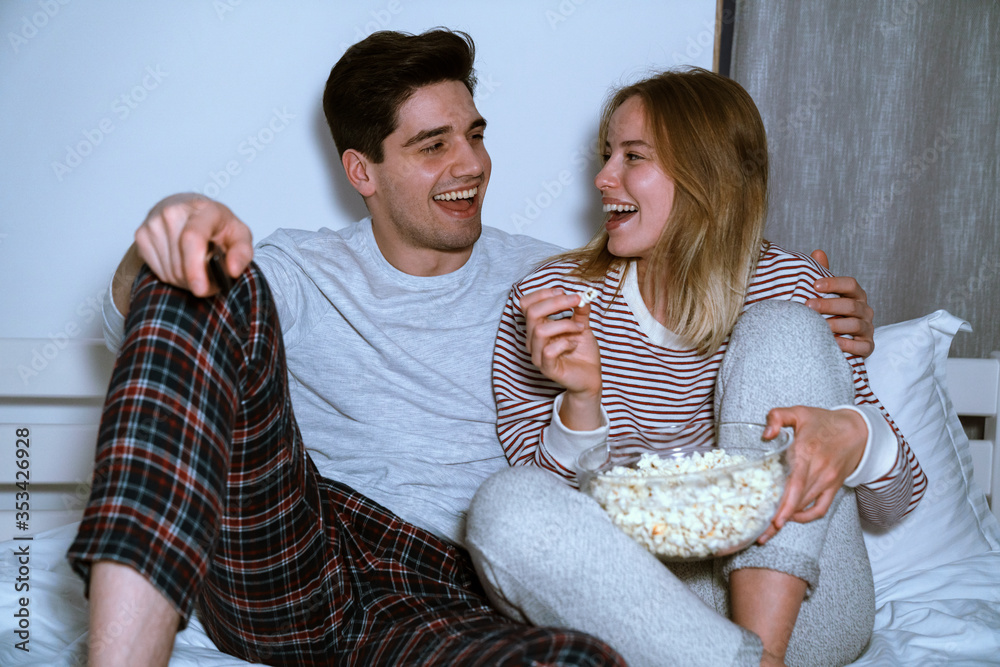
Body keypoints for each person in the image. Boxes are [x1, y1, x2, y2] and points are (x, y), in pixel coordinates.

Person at [67, 29, 876, 667]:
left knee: (572, 657)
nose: (470, 165)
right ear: (363, 171)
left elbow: (704, 327)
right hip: (305, 545)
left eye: (474, 134)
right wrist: (168, 235)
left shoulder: (559, 277)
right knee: (203, 280)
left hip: (467, 586)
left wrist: (825, 330)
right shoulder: (302, 268)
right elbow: (149, 334)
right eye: (432, 145)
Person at [467, 69, 925, 667]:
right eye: (607, 155)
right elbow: (554, 517)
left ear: (707, 174)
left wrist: (856, 436)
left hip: (808, 604)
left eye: (633, 156)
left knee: (783, 327)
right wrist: (582, 403)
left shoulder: (794, 287)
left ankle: (759, 652)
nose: (603, 178)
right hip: (654, 612)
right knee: (504, 507)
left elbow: (896, 500)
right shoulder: (553, 298)